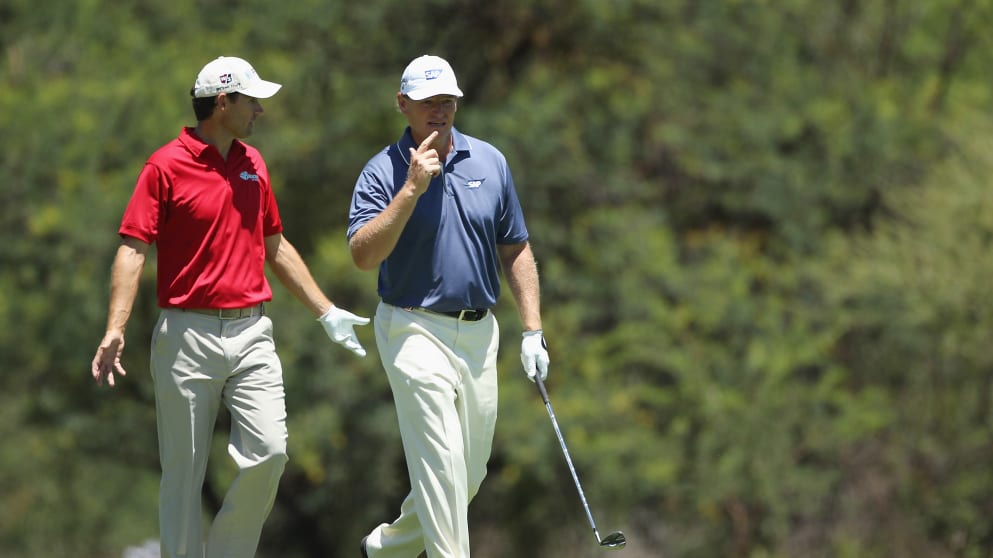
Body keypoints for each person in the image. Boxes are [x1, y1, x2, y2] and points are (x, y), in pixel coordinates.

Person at [90, 55, 370, 558]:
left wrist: (325, 311)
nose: (260, 110)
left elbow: (276, 245)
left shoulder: (253, 163)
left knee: (271, 453)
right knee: (183, 476)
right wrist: (116, 327)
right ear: (223, 102)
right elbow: (133, 249)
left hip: (251, 335)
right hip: (185, 337)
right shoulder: (164, 165)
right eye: (252, 100)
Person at [348, 54, 550, 558]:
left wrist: (532, 330)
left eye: (447, 101)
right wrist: (411, 189)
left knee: (469, 472)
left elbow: (516, 247)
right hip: (411, 328)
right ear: (403, 105)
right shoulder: (381, 171)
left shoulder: (490, 161)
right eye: (427, 102)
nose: (439, 111)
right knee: (440, 462)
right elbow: (363, 254)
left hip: (480, 335)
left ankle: (389, 548)